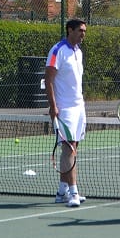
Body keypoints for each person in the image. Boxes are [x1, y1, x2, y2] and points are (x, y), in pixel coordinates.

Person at [44, 18, 88, 208]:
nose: (83, 34)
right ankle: (73, 192)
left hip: (79, 107)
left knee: (73, 148)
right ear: (70, 30)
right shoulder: (57, 51)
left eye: (84, 31)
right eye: (80, 30)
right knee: (69, 150)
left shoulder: (78, 51)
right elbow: (49, 80)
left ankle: (62, 191)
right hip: (65, 108)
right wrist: (53, 106)